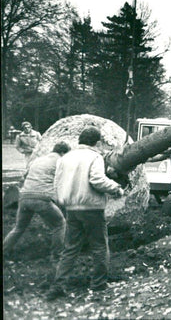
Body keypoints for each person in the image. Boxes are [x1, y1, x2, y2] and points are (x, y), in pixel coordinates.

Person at [46, 127, 125, 300]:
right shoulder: (94, 156)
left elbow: (56, 182)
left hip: (71, 208)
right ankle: (98, 286)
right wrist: (115, 188)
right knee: (99, 247)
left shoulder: (65, 158)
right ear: (97, 142)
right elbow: (97, 179)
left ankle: (58, 285)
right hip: (92, 208)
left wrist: (63, 200)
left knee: (70, 249)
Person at [3, 142, 70, 262]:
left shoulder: (37, 160)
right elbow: (65, 182)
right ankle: (57, 256)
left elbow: (24, 177)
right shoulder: (61, 161)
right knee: (60, 224)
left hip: (24, 197)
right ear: (63, 153)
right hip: (42, 198)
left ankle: (4, 252)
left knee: (19, 228)